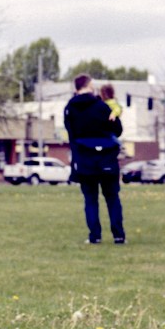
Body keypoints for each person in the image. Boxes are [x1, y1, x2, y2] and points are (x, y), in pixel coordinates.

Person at [64, 74, 125, 245]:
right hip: (106, 159)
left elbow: (70, 134)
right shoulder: (102, 106)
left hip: (84, 159)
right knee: (112, 198)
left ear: (76, 88)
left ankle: (95, 236)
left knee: (91, 199)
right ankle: (118, 235)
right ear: (89, 86)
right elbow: (118, 130)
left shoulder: (70, 108)